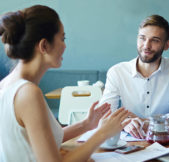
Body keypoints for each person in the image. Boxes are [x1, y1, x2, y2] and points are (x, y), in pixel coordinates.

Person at [0, 5, 130, 161]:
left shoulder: (8, 84)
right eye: (62, 38)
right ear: (44, 45)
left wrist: (87, 124)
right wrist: (103, 133)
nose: (65, 45)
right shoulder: (28, 93)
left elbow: (41, 141)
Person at [99, 15, 169, 139]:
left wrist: (145, 122)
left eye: (155, 40)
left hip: (165, 139)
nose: (146, 45)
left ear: (167, 45)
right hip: (129, 140)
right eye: (142, 38)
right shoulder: (117, 72)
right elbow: (104, 115)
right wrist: (125, 123)